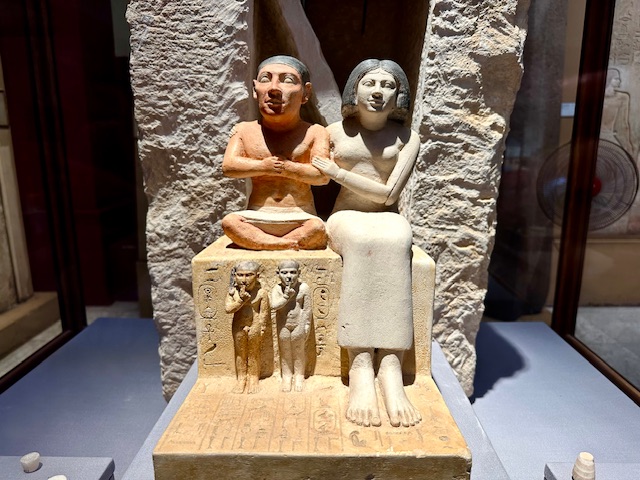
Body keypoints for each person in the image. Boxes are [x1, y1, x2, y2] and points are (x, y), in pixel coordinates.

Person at [313, 59, 421, 427]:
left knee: (398, 236)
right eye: (370, 83)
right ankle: (360, 364)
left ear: (399, 95)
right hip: (345, 218)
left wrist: (337, 172)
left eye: (388, 85)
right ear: (354, 89)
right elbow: (309, 174)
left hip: (385, 216)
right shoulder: (333, 132)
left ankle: (390, 364)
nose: (378, 92)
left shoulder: (407, 138)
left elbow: (388, 195)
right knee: (362, 240)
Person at [221, 55, 331, 250]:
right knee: (230, 222)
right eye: (265, 79)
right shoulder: (244, 130)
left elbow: (322, 176)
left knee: (316, 228)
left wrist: (287, 168)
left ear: (305, 93)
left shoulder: (316, 132)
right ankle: (285, 245)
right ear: (255, 89)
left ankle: (266, 244)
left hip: (299, 215)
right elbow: (229, 167)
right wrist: (263, 166)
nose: (273, 89)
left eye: (287, 80)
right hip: (258, 215)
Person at [225, 261, 270, 394]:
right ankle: (241, 378)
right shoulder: (233, 293)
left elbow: (264, 312)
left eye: (249, 275)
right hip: (238, 326)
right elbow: (228, 309)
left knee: (253, 353)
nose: (244, 279)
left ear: (257, 276)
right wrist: (241, 300)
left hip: (254, 325)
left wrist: (262, 327)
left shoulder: (261, 293)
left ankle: (253, 378)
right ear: (235, 276)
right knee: (240, 354)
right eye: (240, 275)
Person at [270, 260, 311, 392]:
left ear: (299, 273)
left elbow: (307, 309)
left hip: (299, 322)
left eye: (293, 272)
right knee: (285, 351)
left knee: (298, 351)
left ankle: (299, 376)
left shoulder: (304, 288)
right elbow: (274, 306)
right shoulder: (277, 289)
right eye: (284, 272)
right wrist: (286, 297)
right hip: (283, 324)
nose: (289, 276)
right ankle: (287, 376)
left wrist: (306, 325)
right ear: (278, 274)